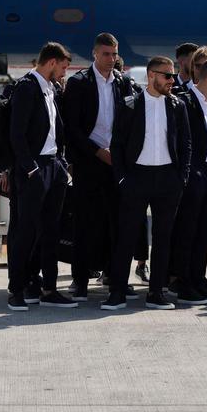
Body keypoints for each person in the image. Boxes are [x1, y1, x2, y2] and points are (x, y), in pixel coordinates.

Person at [101, 56, 191, 311]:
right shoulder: (130, 105)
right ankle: (117, 292)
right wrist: (122, 177)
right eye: (167, 75)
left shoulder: (177, 105)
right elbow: (117, 144)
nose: (172, 80)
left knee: (163, 238)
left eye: (173, 75)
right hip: (136, 178)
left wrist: (181, 177)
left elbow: (185, 143)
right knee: (127, 236)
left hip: (167, 179)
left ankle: (156, 292)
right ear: (151, 76)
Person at [62, 32, 140, 301]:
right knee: (85, 222)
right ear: (94, 54)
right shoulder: (79, 83)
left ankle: (116, 278)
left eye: (114, 54)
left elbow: (130, 122)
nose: (110, 59)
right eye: (106, 54)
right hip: (89, 161)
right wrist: (97, 152)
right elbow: (72, 128)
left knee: (118, 223)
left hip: (116, 162)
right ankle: (80, 280)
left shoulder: (123, 82)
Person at [6, 42, 75, 310]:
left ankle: (49, 288)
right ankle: (17, 289)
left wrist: (62, 163)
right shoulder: (27, 87)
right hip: (35, 169)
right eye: (64, 67)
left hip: (54, 166)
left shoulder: (51, 88)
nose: (65, 73)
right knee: (25, 231)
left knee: (50, 231)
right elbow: (17, 134)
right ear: (52, 62)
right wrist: (31, 168)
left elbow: (57, 129)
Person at [169, 58, 207, 305]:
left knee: (204, 230)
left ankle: (197, 277)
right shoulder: (185, 100)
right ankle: (181, 281)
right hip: (192, 172)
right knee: (187, 229)